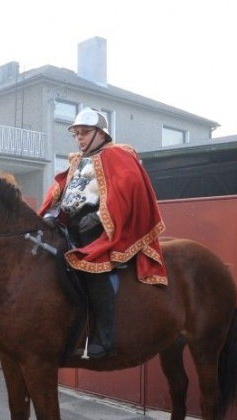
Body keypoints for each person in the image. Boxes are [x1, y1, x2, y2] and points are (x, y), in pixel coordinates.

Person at [38, 108, 168, 359]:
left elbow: (127, 189)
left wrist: (98, 216)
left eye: (85, 133)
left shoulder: (118, 154)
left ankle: (105, 339)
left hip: (101, 229)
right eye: (77, 134)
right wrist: (51, 214)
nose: (80, 138)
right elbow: (65, 190)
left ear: (101, 133)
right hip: (70, 225)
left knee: (93, 271)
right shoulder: (76, 160)